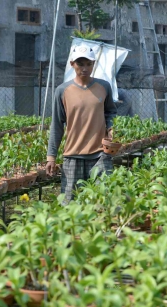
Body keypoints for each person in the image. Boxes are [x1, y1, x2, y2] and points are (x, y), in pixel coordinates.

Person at [45, 44, 117, 203]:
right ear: (72, 64)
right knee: (70, 204)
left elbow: (111, 112)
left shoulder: (104, 87)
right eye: (80, 63)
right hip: (73, 156)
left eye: (88, 64)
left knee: (104, 201)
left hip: (100, 155)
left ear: (93, 64)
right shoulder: (62, 91)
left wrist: (111, 129)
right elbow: (57, 125)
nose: (85, 68)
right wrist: (51, 157)